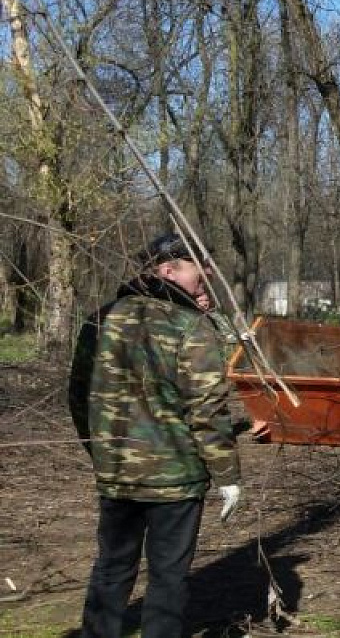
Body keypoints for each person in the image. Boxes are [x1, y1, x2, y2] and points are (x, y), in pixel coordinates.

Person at [68, 232, 243, 637]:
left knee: (111, 568)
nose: (208, 273)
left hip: (117, 473)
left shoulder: (102, 318)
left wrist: (102, 451)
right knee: (167, 578)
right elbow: (208, 410)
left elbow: (78, 396)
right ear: (168, 270)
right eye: (199, 266)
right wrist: (228, 476)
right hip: (176, 480)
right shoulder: (188, 326)